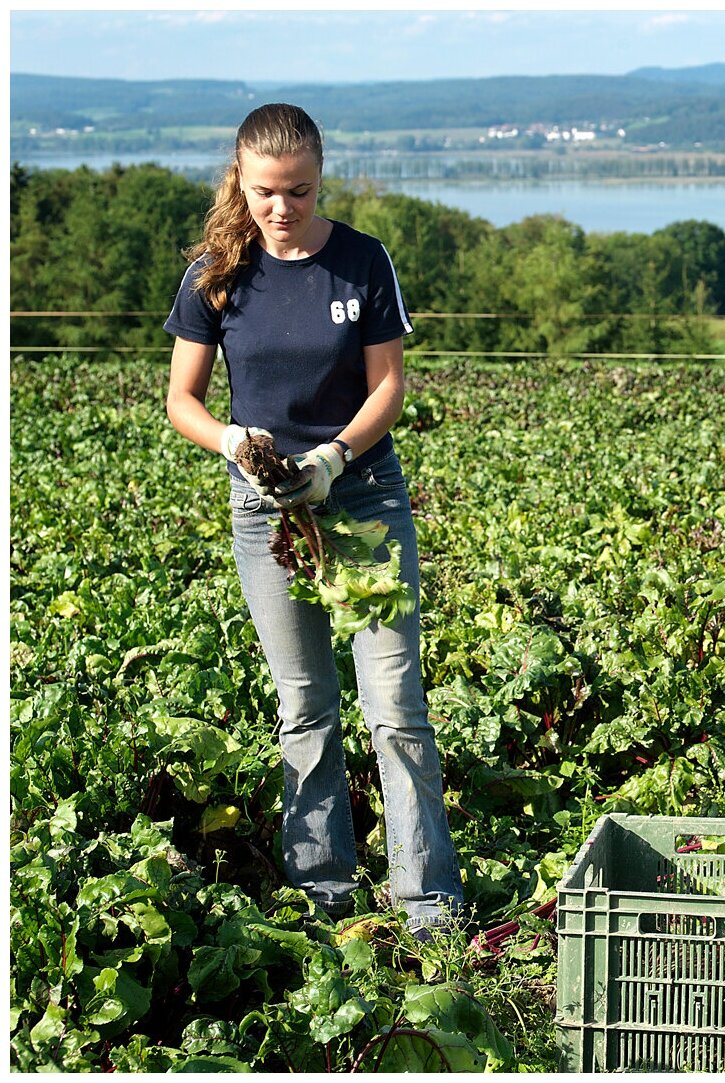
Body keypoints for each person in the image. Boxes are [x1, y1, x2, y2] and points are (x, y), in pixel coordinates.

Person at [164, 102, 462, 938]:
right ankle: (323, 890)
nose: (282, 207)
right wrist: (231, 438)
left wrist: (332, 458)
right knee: (305, 704)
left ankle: (428, 902)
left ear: (319, 177)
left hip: (360, 500)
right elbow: (180, 399)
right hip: (265, 513)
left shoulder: (363, 262)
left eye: (297, 189)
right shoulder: (214, 273)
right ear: (240, 179)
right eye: (265, 191)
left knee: (395, 700)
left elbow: (388, 387)